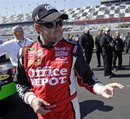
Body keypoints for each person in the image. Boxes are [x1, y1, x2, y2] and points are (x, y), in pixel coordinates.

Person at [14, 4, 124, 119]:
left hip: (68, 112)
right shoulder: (24, 53)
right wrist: (32, 99)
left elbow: (86, 76)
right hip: (42, 114)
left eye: (60, 22)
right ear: (38, 28)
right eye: (51, 24)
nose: (59, 28)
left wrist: (100, 88)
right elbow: (20, 83)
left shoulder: (73, 49)